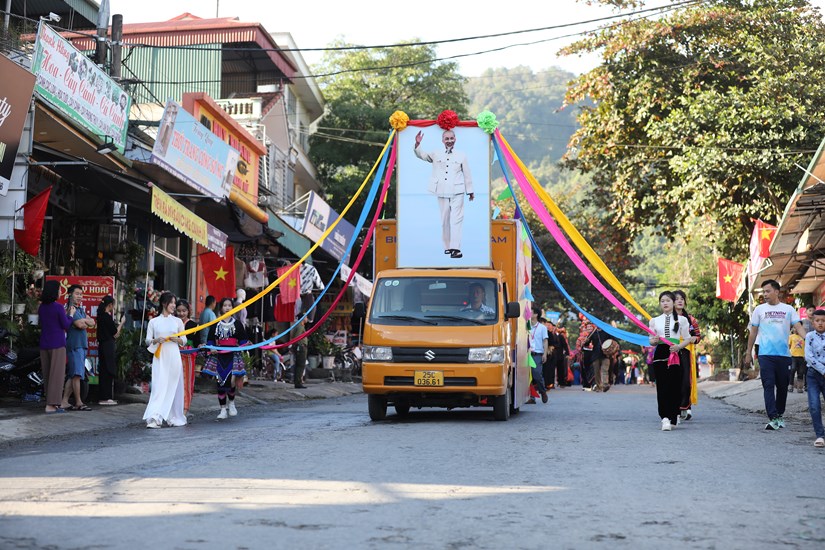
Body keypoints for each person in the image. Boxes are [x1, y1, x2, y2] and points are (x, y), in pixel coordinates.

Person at [743, 279, 806, 430]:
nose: (765, 294)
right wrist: (748, 352)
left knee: (783, 386)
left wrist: (810, 340)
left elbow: (798, 326)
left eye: (768, 291)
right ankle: (772, 417)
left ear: (777, 292)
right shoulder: (759, 310)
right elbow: (753, 332)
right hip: (765, 354)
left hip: (784, 355)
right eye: (763, 291)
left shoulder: (788, 309)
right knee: (768, 385)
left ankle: (779, 415)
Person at [413, 129, 474, 259]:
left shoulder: (461, 155)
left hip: (457, 191)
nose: (449, 141)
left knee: (457, 219)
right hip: (441, 190)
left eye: (452, 138)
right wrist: (417, 144)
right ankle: (447, 247)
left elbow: (467, 173)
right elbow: (422, 155)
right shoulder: (436, 153)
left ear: (455, 139)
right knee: (444, 220)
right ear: (442, 140)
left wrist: (470, 191)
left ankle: (455, 248)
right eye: (447, 139)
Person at [143, 292, 187, 429]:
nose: (174, 306)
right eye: (171, 303)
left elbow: (184, 340)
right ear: (164, 303)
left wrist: (178, 339)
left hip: (174, 356)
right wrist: (156, 340)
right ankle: (155, 417)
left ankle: (174, 416)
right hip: (160, 357)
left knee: (173, 386)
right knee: (159, 386)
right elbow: (147, 340)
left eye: (175, 303)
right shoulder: (154, 322)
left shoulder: (177, 321)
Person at [649, 291, 691, 431]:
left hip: (675, 353)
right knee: (662, 387)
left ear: (673, 303)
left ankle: (674, 415)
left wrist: (678, 346)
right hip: (660, 354)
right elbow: (651, 341)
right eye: (662, 301)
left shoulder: (682, 320)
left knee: (675, 386)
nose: (665, 303)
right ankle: (665, 418)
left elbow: (688, 338)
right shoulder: (654, 320)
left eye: (667, 300)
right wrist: (653, 341)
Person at [202, 298, 249, 419]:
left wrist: (245, 344)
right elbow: (210, 339)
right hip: (220, 355)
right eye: (225, 305)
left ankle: (232, 403)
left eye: (229, 305)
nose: (227, 307)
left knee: (232, 380)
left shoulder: (237, 324)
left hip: (233, 355)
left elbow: (243, 340)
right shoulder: (216, 323)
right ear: (221, 307)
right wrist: (211, 347)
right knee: (220, 381)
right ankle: (223, 409)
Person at [38, 280, 74, 414]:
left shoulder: (42, 307)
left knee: (48, 374)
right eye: (59, 290)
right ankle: (52, 405)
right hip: (57, 344)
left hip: (44, 343)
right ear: (54, 291)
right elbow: (66, 325)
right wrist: (70, 315)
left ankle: (49, 402)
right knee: (57, 376)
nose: (60, 292)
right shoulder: (58, 307)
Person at [61, 285, 95, 411]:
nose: (79, 296)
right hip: (75, 345)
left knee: (73, 375)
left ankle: (64, 401)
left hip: (81, 345)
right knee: (76, 375)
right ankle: (79, 402)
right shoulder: (71, 309)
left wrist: (85, 321)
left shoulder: (79, 310)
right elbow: (81, 324)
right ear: (70, 295)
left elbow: (92, 322)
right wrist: (85, 321)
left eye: (81, 294)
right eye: (77, 293)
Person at [673, 290, 701, 421]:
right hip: (671, 351)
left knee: (686, 380)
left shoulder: (690, 319)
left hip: (686, 352)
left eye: (682, 299)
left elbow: (697, 336)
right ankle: (674, 409)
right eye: (676, 298)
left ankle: (685, 406)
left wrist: (694, 339)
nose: (679, 301)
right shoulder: (667, 318)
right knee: (674, 380)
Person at [803, 309, 825, 448]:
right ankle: (820, 435)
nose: (820, 323)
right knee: (814, 405)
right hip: (813, 375)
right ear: (813, 322)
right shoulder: (810, 336)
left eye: (823, 321)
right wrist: (823, 370)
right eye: (817, 321)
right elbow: (809, 357)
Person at [97, 295, 124, 406]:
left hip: (102, 345)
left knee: (103, 370)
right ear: (110, 305)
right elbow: (115, 333)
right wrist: (121, 323)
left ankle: (103, 396)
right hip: (108, 346)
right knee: (108, 370)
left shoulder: (100, 316)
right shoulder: (107, 317)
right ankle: (106, 397)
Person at [176, 299, 198, 416]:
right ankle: (176, 408)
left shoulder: (193, 325)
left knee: (187, 382)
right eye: (179, 311)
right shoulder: (173, 323)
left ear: (188, 311)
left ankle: (185, 409)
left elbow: (197, 341)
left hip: (188, 356)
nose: (181, 313)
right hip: (174, 355)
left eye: (184, 311)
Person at [527, 305, 549, 404]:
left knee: (536, 374)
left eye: (531, 312)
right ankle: (531, 397)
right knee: (527, 376)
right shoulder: (526, 326)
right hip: (527, 354)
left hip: (537, 354)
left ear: (536, 314)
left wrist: (545, 354)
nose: (529, 313)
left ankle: (542, 391)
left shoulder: (542, 328)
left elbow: (545, 341)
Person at [583, 326, 610, 392]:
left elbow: (613, 340)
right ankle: (598, 386)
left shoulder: (607, 332)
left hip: (605, 355)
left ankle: (605, 385)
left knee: (605, 370)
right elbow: (586, 344)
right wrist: (586, 341)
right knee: (596, 371)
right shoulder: (593, 333)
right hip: (595, 355)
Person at [291, 317, 308, 389]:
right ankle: (298, 382)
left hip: (300, 347)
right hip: (300, 347)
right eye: (306, 317)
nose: (307, 319)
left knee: (299, 365)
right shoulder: (300, 327)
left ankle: (298, 382)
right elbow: (297, 337)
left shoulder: (299, 326)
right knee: (300, 365)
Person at [789, 327, 806, 394]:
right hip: (793, 356)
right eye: (794, 328)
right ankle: (790, 385)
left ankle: (800, 387)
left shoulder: (803, 337)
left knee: (801, 372)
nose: (796, 330)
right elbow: (788, 346)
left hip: (801, 357)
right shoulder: (791, 337)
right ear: (793, 329)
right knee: (792, 370)